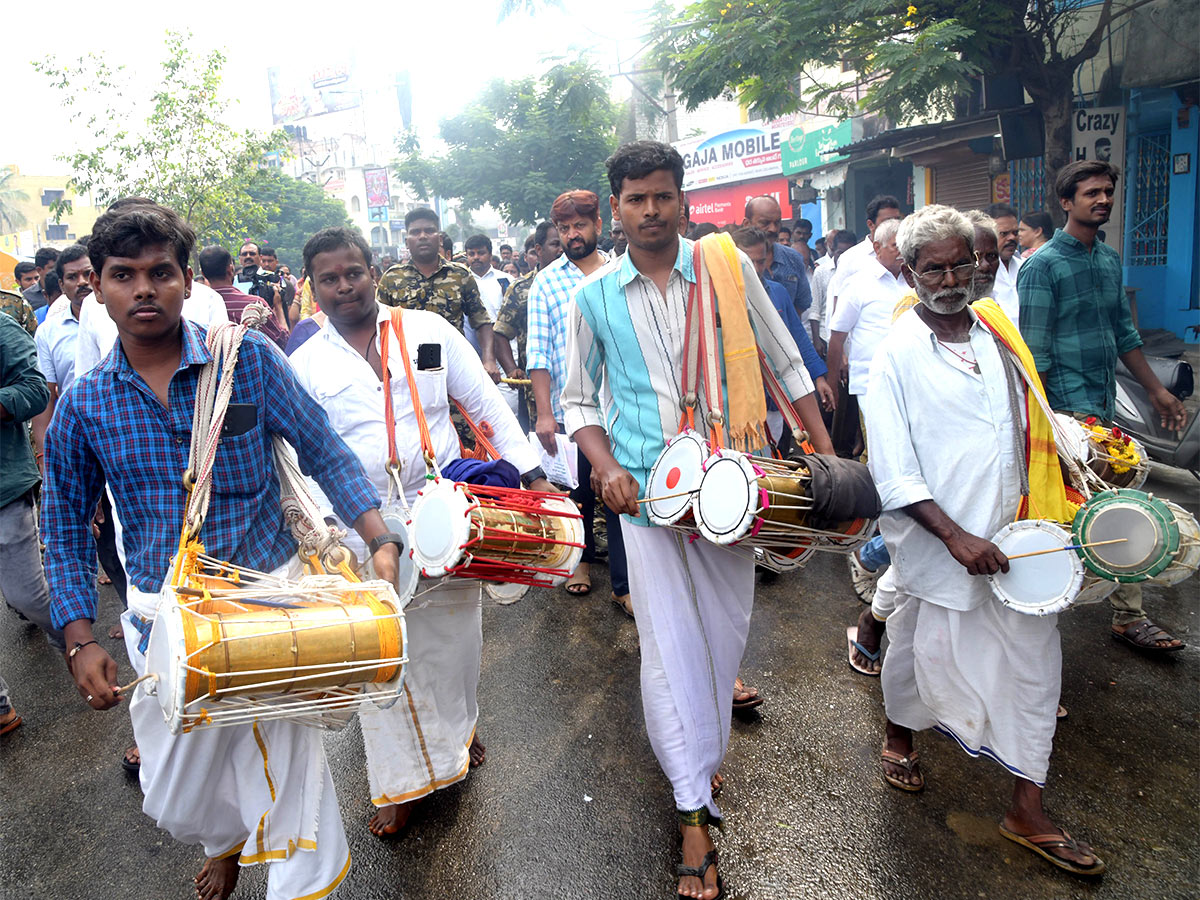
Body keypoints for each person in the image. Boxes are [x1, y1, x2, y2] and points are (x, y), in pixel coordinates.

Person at [43, 201, 399, 900]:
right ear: (98, 288)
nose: (144, 289)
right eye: (124, 275)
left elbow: (322, 445)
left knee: (294, 768)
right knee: (174, 791)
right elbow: (60, 527)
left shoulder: (248, 359)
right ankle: (225, 840)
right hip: (164, 616)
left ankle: (301, 886)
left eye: (160, 273)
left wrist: (378, 537)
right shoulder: (85, 405)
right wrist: (78, 638)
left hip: (272, 600)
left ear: (185, 282)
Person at [561, 141, 834, 900]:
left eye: (662, 196)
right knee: (669, 646)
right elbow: (579, 401)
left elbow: (785, 364)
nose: (650, 211)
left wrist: (829, 455)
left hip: (734, 488)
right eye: (635, 199)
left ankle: (702, 754)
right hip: (645, 497)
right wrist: (605, 466)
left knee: (722, 636)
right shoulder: (594, 298)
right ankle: (690, 810)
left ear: (684, 201)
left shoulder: (726, 267)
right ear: (616, 206)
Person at [292, 226, 552, 839]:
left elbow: (486, 405)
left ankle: (456, 735)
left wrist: (535, 478)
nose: (343, 286)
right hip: (362, 525)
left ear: (372, 271)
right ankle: (401, 783)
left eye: (352, 272)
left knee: (454, 646)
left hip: (443, 514)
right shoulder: (303, 364)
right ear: (313, 288)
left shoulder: (428, 332)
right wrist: (321, 532)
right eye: (328, 278)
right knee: (384, 654)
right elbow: (300, 455)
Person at [869, 203, 1105, 877]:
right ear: (910, 271)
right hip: (937, 543)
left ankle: (1027, 806)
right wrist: (953, 537)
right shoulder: (895, 356)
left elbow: (1031, 418)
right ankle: (899, 735)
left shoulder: (998, 332)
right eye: (934, 267)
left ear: (979, 263)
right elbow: (893, 467)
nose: (950, 278)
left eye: (961, 263)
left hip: (1019, 534)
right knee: (917, 651)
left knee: (1036, 664)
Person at [1018, 159, 1188, 655]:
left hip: (1102, 409)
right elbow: (1035, 355)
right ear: (1065, 202)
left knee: (1117, 498)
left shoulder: (1109, 260)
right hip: (1063, 415)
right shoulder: (1042, 266)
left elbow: (1124, 335)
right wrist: (1045, 426)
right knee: (1061, 511)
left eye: (1108, 191)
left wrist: (1156, 389)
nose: (1103, 200)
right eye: (1091, 192)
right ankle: (1039, 620)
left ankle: (1126, 615)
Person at [526, 191, 628, 606]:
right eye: (564, 229)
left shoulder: (620, 271)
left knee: (622, 489)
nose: (572, 235)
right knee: (581, 493)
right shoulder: (547, 282)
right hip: (576, 408)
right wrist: (545, 414)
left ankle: (625, 585)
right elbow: (538, 351)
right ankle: (579, 561)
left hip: (621, 403)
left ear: (598, 225)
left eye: (580, 226)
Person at [0, 311, 65, 738]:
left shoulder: (2, 328)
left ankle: (78, 646)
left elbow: (34, 389)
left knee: (27, 594)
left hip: (3, 490)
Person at [377, 208, 499, 382]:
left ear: (439, 239)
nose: (423, 236)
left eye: (429, 231)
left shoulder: (460, 275)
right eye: (415, 232)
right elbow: (378, 328)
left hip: (454, 371)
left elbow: (482, 322)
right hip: (406, 375)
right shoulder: (391, 278)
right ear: (407, 241)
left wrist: (489, 360)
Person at [493, 222, 563, 431]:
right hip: (537, 392)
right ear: (539, 250)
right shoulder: (521, 288)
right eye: (555, 244)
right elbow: (500, 333)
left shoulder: (583, 280)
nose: (561, 250)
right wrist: (511, 368)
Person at [198, 245, 289, 350]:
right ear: (231, 269)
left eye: (252, 253)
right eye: (245, 254)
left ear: (203, 274)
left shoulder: (195, 306)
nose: (248, 256)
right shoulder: (255, 305)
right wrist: (278, 306)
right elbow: (283, 342)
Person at [742, 196, 813, 315]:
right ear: (746, 224)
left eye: (777, 223)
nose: (773, 229)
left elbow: (803, 302)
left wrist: (783, 323)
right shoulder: (733, 260)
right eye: (765, 223)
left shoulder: (793, 258)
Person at [804, 230, 856, 356]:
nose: (844, 258)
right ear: (833, 249)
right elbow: (815, 309)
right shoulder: (822, 272)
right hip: (826, 338)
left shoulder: (860, 272)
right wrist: (817, 341)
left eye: (848, 253)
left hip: (853, 340)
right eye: (840, 253)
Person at [985, 202, 1022, 321]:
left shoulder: (1026, 266)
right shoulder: (981, 273)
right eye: (1004, 234)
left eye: (1015, 233)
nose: (1012, 238)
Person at [22, 247, 59, 313]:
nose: (57, 271)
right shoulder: (27, 297)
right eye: (53, 268)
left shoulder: (69, 290)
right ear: (39, 270)